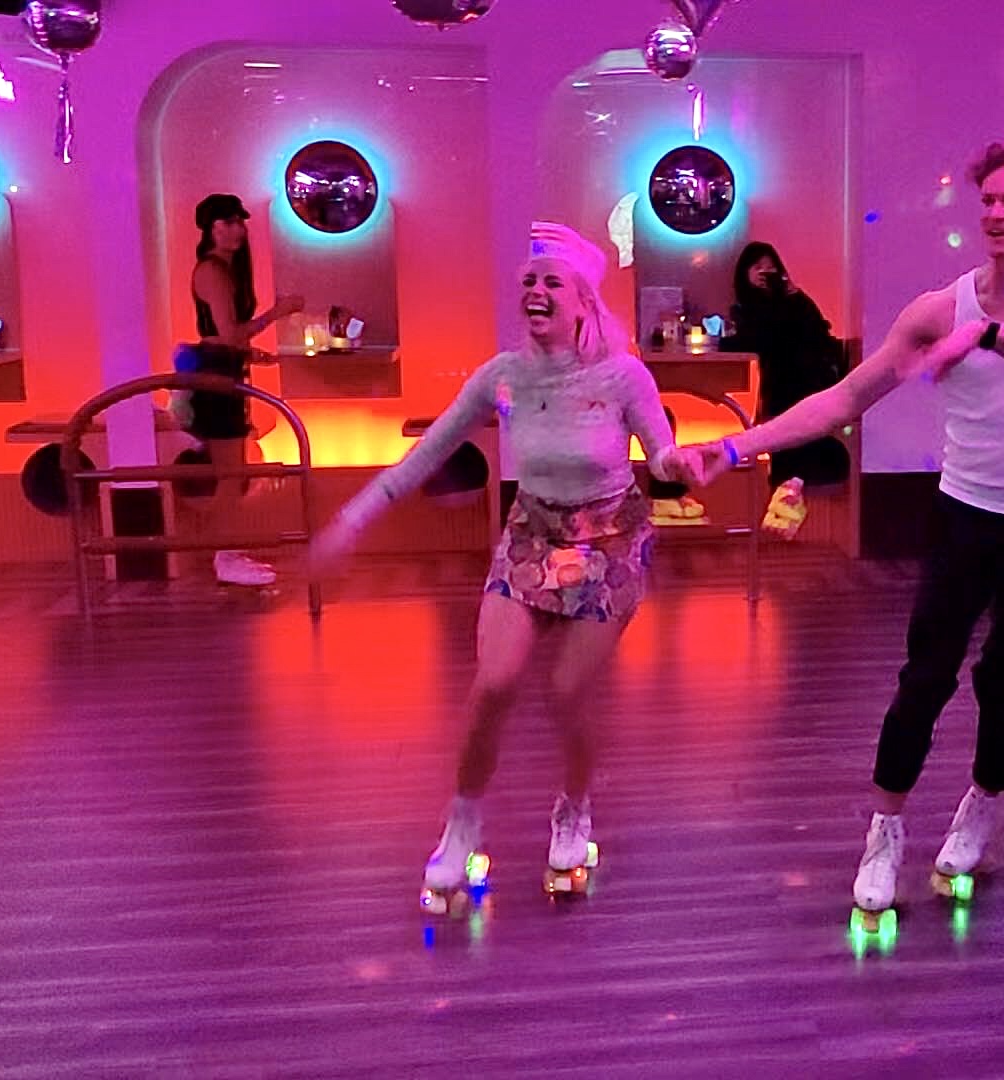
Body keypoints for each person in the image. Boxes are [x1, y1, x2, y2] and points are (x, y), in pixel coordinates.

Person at [683, 116, 1004, 920]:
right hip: (965, 515)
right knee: (927, 674)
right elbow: (843, 399)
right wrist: (737, 446)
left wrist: (986, 337)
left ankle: (984, 802)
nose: (996, 214)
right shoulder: (936, 309)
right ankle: (884, 828)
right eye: (987, 201)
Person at [312, 222, 691, 906]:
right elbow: (426, 454)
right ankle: (461, 824)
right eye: (528, 281)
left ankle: (573, 808)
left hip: (609, 543)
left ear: (583, 301)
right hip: (531, 535)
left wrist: (682, 463)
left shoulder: (623, 375)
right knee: (494, 683)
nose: (536, 290)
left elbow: (661, 455)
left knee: (566, 692)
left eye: (552, 282)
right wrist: (351, 519)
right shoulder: (502, 376)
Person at [178, 193, 304, 587]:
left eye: (239, 221)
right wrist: (276, 314)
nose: (237, 229)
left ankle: (227, 552)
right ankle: (224, 556)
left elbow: (226, 337)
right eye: (227, 222)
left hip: (224, 370)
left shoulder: (225, 269)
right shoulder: (211, 271)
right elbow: (228, 334)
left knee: (234, 472)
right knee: (232, 474)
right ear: (210, 229)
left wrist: (251, 354)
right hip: (215, 376)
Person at [723, 242, 850, 527]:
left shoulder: (794, 303)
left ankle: (790, 486)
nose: (765, 272)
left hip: (810, 381)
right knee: (784, 416)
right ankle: (790, 486)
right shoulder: (747, 309)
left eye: (771, 267)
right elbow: (756, 341)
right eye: (758, 267)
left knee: (791, 417)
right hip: (783, 384)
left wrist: (796, 294)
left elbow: (818, 331)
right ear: (745, 272)